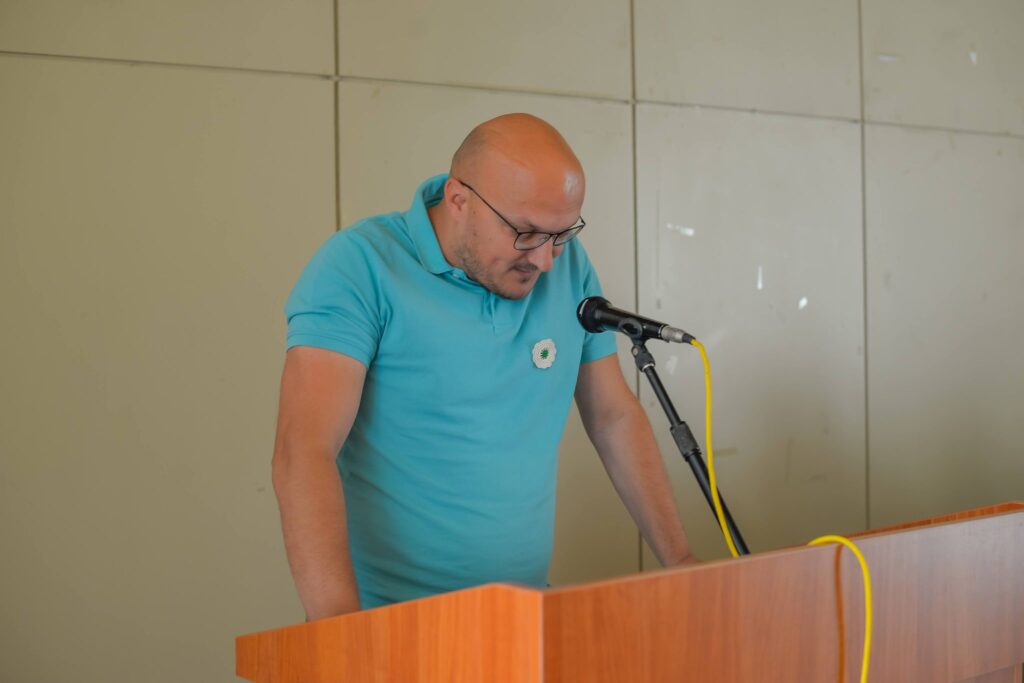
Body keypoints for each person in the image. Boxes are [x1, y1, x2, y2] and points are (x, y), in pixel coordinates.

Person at [272, 113, 694, 620]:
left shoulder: (566, 265)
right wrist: (338, 634)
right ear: (458, 200)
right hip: (388, 624)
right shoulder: (360, 266)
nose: (545, 261)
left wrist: (682, 564)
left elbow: (613, 417)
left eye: (562, 234)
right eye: (526, 233)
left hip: (521, 616)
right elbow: (304, 451)